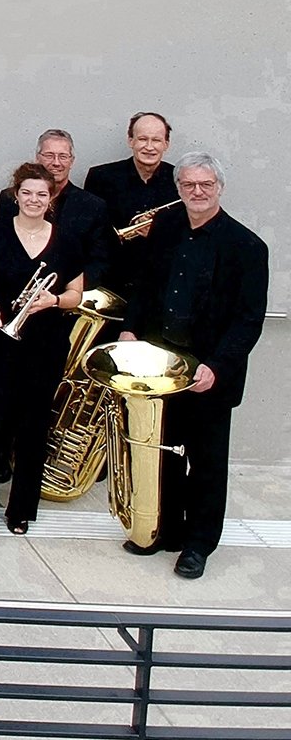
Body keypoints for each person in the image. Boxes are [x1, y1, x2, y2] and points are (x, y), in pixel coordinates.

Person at [119, 152, 268, 580]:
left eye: (205, 185)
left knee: (206, 461)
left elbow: (248, 320)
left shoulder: (248, 247)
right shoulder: (164, 229)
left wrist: (217, 367)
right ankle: (166, 530)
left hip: (208, 374)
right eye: (188, 185)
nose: (197, 192)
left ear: (219, 187)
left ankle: (198, 545)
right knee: (163, 451)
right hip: (161, 365)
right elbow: (145, 285)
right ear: (178, 188)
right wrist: (130, 330)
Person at [0, 163, 87, 543]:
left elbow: (76, 294)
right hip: (0, 338)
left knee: (34, 427)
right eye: (27, 193)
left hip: (45, 344)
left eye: (42, 195)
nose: (34, 200)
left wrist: (53, 300)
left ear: (52, 200)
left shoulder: (68, 242)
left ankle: (21, 508)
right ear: (16, 196)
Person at [0, 129, 111, 290]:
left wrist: (66, 293)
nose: (56, 162)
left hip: (69, 301)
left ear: (72, 161)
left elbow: (100, 260)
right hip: (16, 295)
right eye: (49, 155)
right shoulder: (9, 198)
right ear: (37, 158)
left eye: (63, 156)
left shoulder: (93, 206)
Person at [83, 111, 178, 299]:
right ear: (130, 141)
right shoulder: (101, 177)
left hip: (160, 283)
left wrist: (159, 232)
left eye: (156, 140)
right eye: (142, 139)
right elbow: (90, 232)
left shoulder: (179, 180)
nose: (149, 147)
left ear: (166, 144)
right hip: (110, 281)